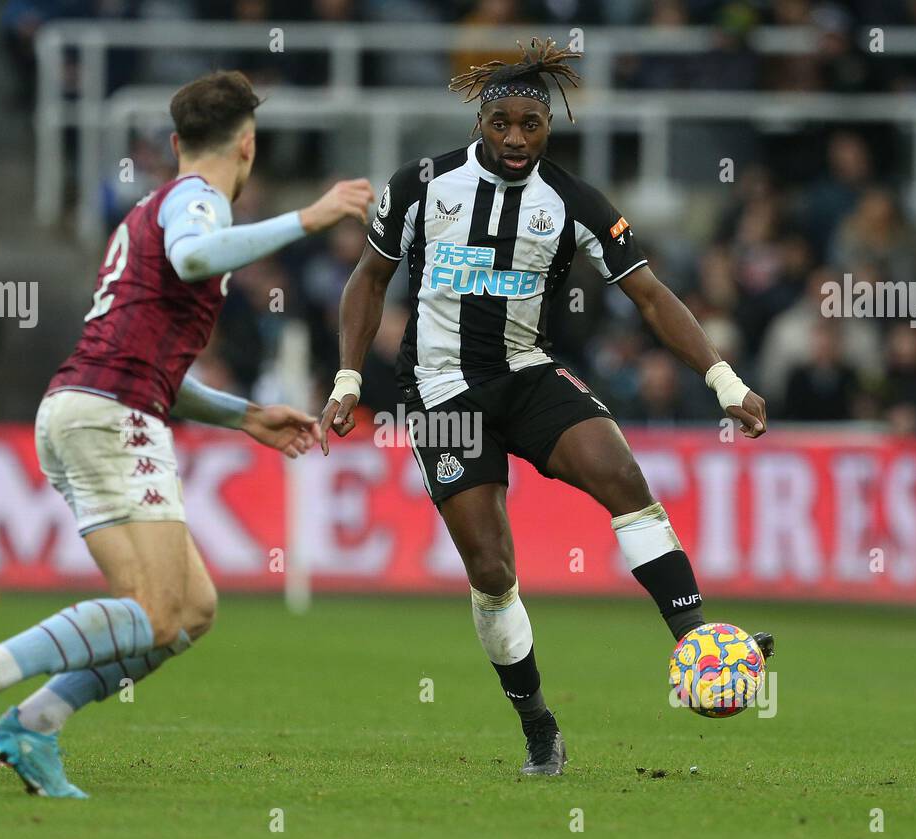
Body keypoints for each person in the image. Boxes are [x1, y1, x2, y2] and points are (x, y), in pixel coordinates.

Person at [319, 39, 772, 776]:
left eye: (532, 125)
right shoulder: (421, 186)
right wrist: (345, 380)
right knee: (493, 568)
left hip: (528, 374)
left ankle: (696, 641)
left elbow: (651, 296)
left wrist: (723, 380)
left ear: (548, 125)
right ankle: (537, 722)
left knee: (621, 476)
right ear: (481, 123)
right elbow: (368, 281)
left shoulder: (573, 202)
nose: (517, 139)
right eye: (503, 124)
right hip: (441, 392)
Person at [0, 70, 374, 797]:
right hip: (108, 415)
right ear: (249, 147)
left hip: (88, 406)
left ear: (175, 141)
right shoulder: (198, 204)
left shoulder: (155, 208)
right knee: (157, 610)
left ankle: (34, 724)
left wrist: (245, 415)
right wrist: (310, 218)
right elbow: (197, 259)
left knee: (188, 612)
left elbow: (150, 355)